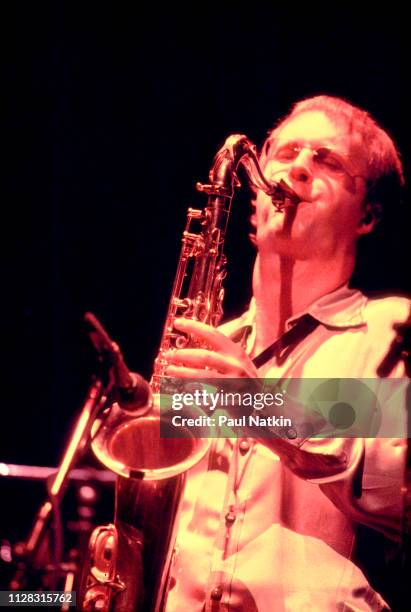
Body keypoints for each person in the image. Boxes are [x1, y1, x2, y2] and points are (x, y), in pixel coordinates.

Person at [162, 95, 410, 611]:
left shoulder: (392, 330)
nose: (297, 169)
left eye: (328, 161)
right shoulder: (206, 348)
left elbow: (392, 491)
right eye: (286, 152)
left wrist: (259, 407)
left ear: (368, 214)